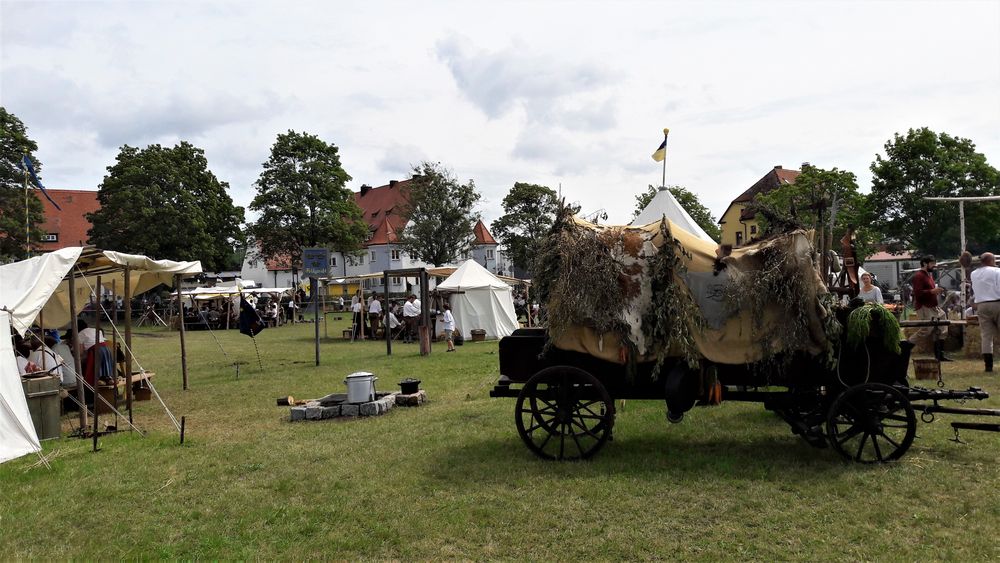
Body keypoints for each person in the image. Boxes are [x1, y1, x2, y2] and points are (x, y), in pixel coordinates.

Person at [907, 255, 951, 361]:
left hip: (933, 306)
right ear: (925, 264)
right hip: (924, 307)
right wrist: (932, 291)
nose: (934, 265)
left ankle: (939, 354)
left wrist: (935, 291)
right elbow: (917, 293)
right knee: (926, 330)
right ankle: (905, 346)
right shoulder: (919, 276)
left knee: (942, 327)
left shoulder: (928, 275)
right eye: (932, 263)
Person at [971, 252, 1000, 372]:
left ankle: (988, 365)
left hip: (981, 305)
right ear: (991, 261)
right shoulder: (997, 271)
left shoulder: (974, 274)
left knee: (986, 336)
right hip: (997, 302)